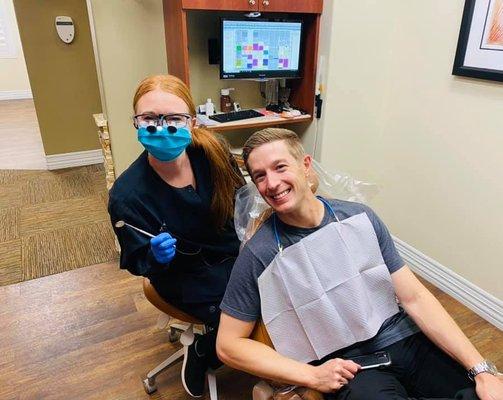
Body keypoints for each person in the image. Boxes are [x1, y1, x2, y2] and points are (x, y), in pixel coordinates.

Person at [216, 128, 503, 400]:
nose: (272, 183)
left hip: (405, 341)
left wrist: (481, 369)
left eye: (280, 167)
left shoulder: (360, 218)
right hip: (349, 368)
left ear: (305, 165)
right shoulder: (258, 254)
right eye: (260, 176)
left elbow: (415, 298)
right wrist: (311, 376)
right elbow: (228, 346)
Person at [108, 74, 244, 398]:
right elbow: (136, 261)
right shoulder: (128, 195)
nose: (162, 126)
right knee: (241, 309)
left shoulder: (212, 152)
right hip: (183, 273)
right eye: (150, 118)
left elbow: (242, 200)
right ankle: (202, 353)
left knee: (277, 285)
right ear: (136, 122)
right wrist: (153, 255)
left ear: (192, 121)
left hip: (231, 251)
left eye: (174, 118)